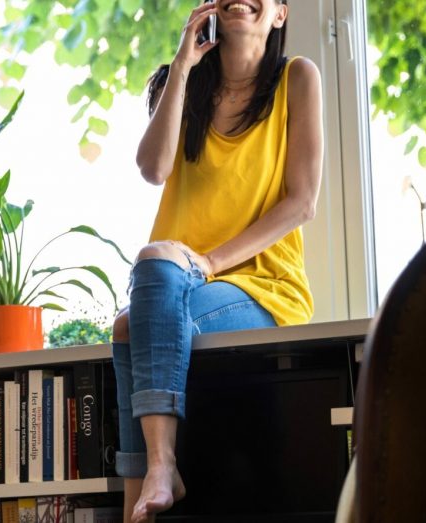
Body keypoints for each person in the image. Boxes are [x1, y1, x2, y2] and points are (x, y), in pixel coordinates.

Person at [110, 0, 322, 521]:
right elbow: (153, 169)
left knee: (136, 312)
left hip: (262, 286)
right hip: (175, 279)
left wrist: (208, 261)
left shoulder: (297, 78)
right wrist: (182, 67)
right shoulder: (181, 83)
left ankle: (158, 469)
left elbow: (301, 202)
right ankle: (144, 488)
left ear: (279, 14)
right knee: (127, 320)